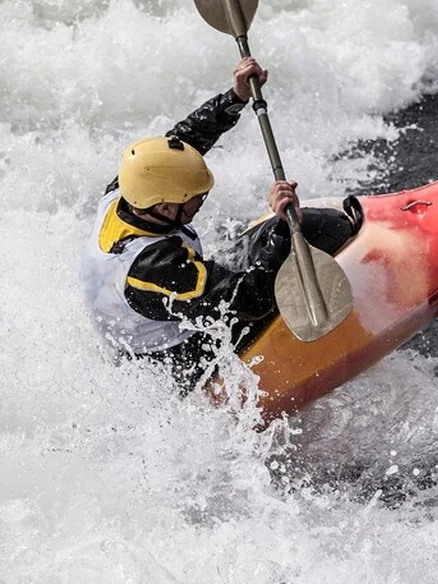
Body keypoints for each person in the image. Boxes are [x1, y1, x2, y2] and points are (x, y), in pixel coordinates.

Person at [81, 57, 356, 390]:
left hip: (157, 319)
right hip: (177, 360)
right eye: (196, 198)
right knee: (297, 241)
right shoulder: (152, 266)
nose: (200, 201)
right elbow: (250, 301)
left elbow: (182, 144)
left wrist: (234, 97)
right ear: (166, 208)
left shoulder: (130, 190)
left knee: (302, 231)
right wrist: (284, 231)